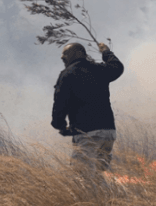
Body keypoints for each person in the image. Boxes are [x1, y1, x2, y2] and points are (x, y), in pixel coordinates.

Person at [51, 42, 124, 171]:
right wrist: (106, 52)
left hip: (88, 134)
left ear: (79, 53)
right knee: (96, 176)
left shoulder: (67, 75)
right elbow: (117, 67)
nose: (63, 58)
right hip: (108, 133)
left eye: (66, 55)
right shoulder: (99, 69)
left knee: (82, 177)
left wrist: (60, 125)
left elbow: (60, 105)